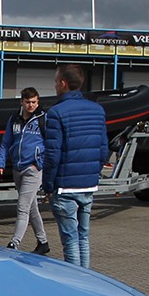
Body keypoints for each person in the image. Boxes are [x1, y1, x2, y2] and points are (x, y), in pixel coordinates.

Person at [42, 65, 108, 268]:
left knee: (70, 240)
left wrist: (48, 186)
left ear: (63, 83)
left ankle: (75, 284)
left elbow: (53, 154)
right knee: (83, 237)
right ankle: (86, 279)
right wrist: (92, 173)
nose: (55, 86)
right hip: (88, 185)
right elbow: (103, 150)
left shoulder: (56, 113)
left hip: (65, 186)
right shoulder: (98, 110)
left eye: (55, 82)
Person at [0, 87, 50, 255]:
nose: (31, 105)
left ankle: (14, 243)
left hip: (33, 169)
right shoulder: (14, 120)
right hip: (17, 168)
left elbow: (51, 145)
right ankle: (43, 242)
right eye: (27, 102)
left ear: (38, 101)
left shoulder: (43, 120)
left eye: (34, 102)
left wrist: (39, 163)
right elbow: (5, 143)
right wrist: (0, 164)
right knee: (32, 208)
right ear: (22, 102)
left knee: (22, 207)